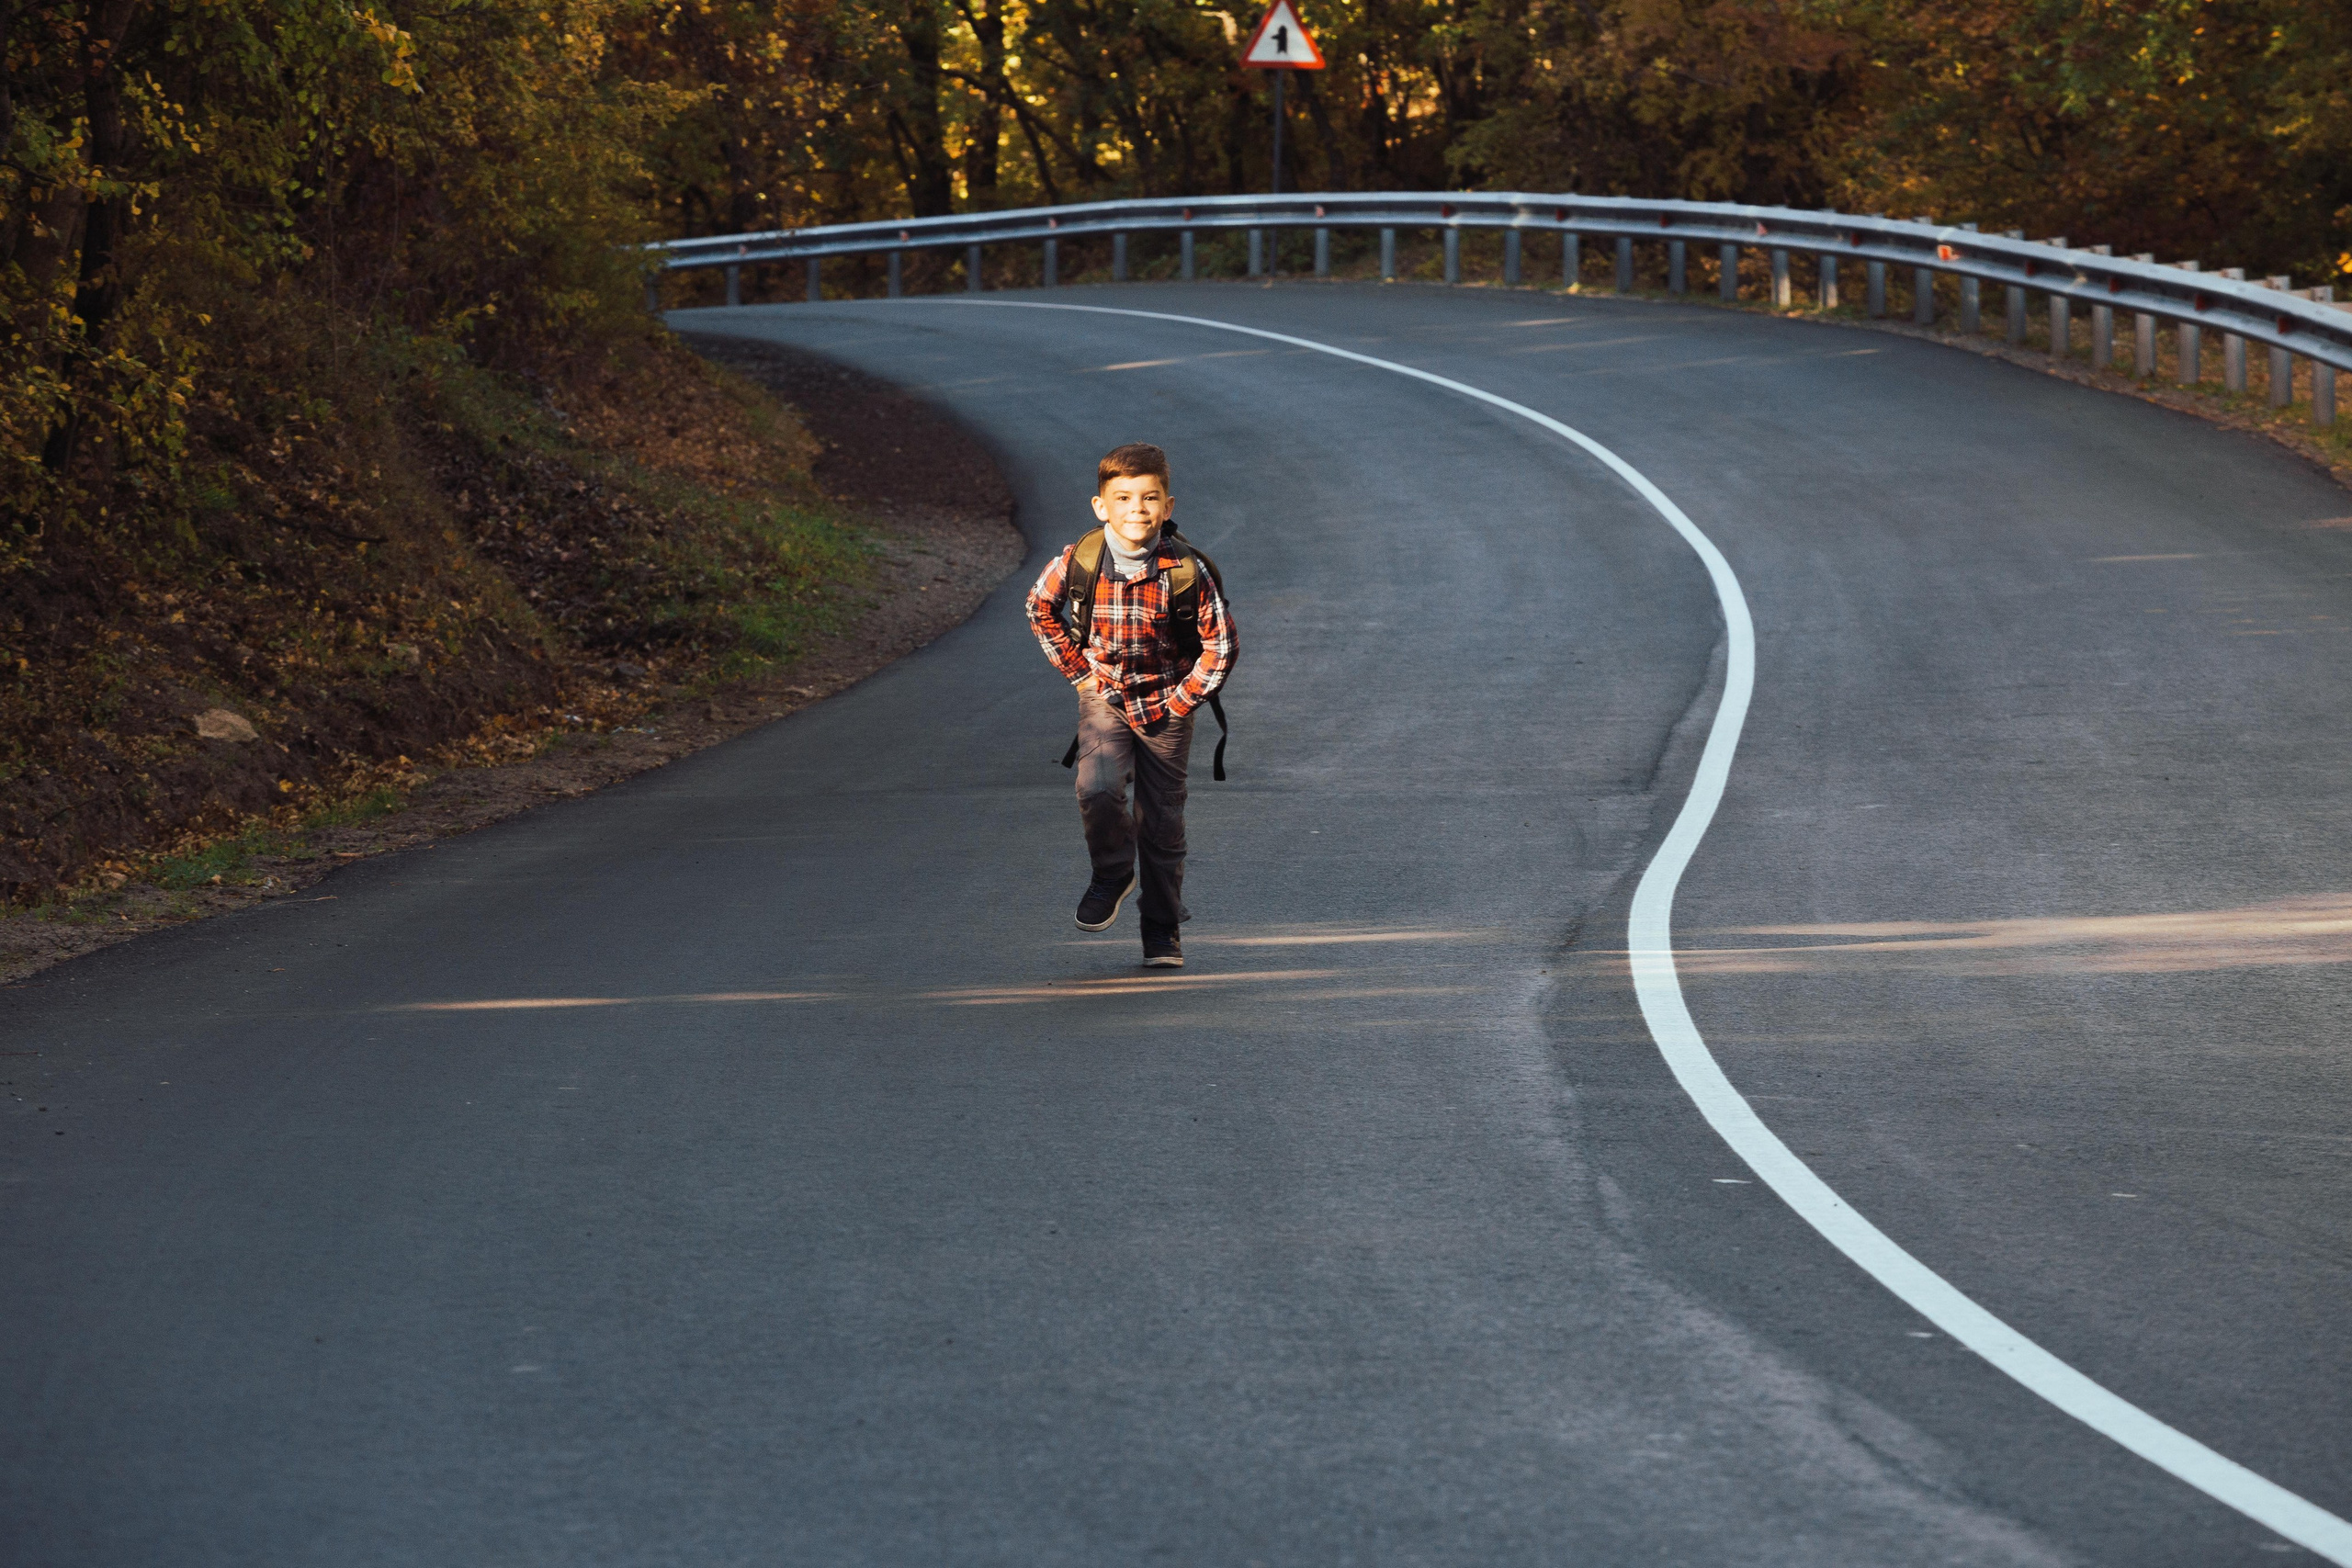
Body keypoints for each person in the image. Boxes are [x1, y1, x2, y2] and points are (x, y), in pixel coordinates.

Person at [1024, 443, 1237, 968]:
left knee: (1162, 823)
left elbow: (1221, 645)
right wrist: (1080, 674)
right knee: (1096, 788)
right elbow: (1038, 608)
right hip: (1106, 698)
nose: (1136, 509)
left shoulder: (1185, 570)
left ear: (1167, 506)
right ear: (1101, 507)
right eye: (1122, 498)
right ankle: (1113, 871)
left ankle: (1162, 930)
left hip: (1168, 703)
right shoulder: (1080, 561)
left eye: (1149, 498)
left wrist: (1184, 701)